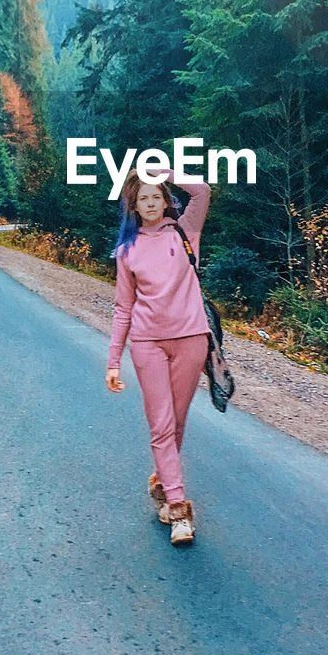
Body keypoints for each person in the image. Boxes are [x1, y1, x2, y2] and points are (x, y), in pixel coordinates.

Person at [105, 165, 211, 547]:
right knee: (162, 425)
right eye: (142, 198)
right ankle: (179, 511)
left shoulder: (186, 231)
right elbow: (122, 308)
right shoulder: (127, 249)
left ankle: (162, 481)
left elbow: (201, 191)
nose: (149, 203)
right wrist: (114, 360)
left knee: (177, 422)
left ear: (166, 201)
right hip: (147, 344)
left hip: (191, 339)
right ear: (133, 205)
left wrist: (161, 172)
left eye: (155, 196)